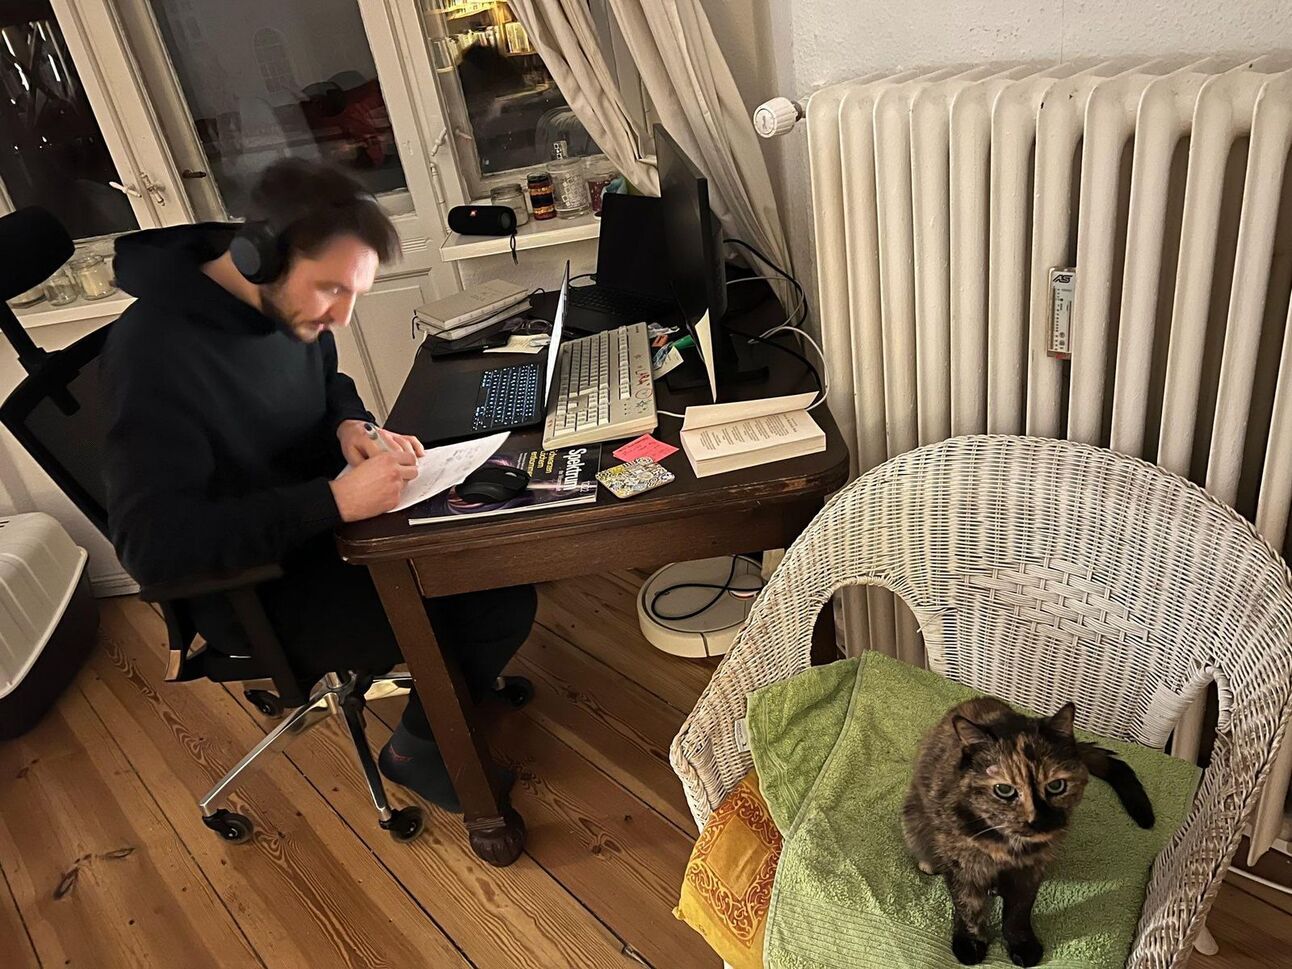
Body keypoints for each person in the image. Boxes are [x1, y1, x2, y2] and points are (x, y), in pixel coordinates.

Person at [102, 158, 535, 812]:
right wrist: (331, 500)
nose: (342, 317)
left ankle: (453, 687)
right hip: (256, 583)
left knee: (491, 544)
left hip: (323, 525)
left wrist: (347, 424)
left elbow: (331, 382)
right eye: (332, 289)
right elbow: (153, 546)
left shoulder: (279, 306)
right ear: (261, 258)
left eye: (354, 294)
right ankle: (416, 749)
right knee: (493, 597)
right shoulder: (153, 355)